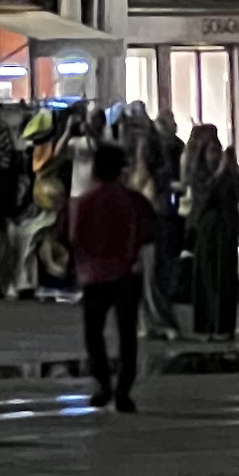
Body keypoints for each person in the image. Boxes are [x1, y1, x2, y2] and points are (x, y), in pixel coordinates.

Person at [66, 137, 152, 413]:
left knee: (94, 333)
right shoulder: (132, 201)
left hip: (94, 275)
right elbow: (144, 232)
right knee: (127, 333)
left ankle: (103, 383)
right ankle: (124, 389)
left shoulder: (85, 202)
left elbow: (75, 237)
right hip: (126, 273)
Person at [185, 123, 239, 339]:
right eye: (210, 150)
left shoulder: (227, 170)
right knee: (208, 276)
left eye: (216, 150)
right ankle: (207, 325)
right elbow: (203, 195)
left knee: (226, 278)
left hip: (227, 227)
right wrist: (220, 172)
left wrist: (231, 170)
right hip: (207, 227)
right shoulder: (199, 170)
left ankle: (224, 326)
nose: (214, 155)